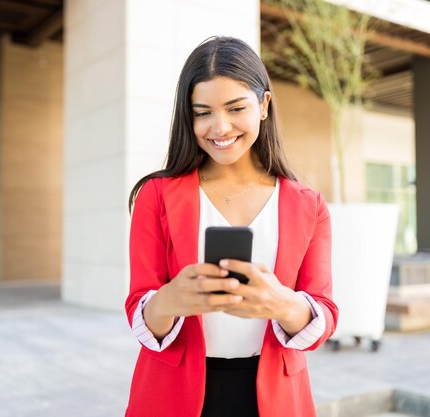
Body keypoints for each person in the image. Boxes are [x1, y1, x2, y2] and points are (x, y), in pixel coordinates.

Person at [125, 36, 338, 417]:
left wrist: (282, 304)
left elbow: (324, 314)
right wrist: (170, 301)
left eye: (235, 107)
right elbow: (139, 309)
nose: (219, 127)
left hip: (274, 397)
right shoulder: (155, 196)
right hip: (172, 394)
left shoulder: (309, 205)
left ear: (263, 105)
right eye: (202, 112)